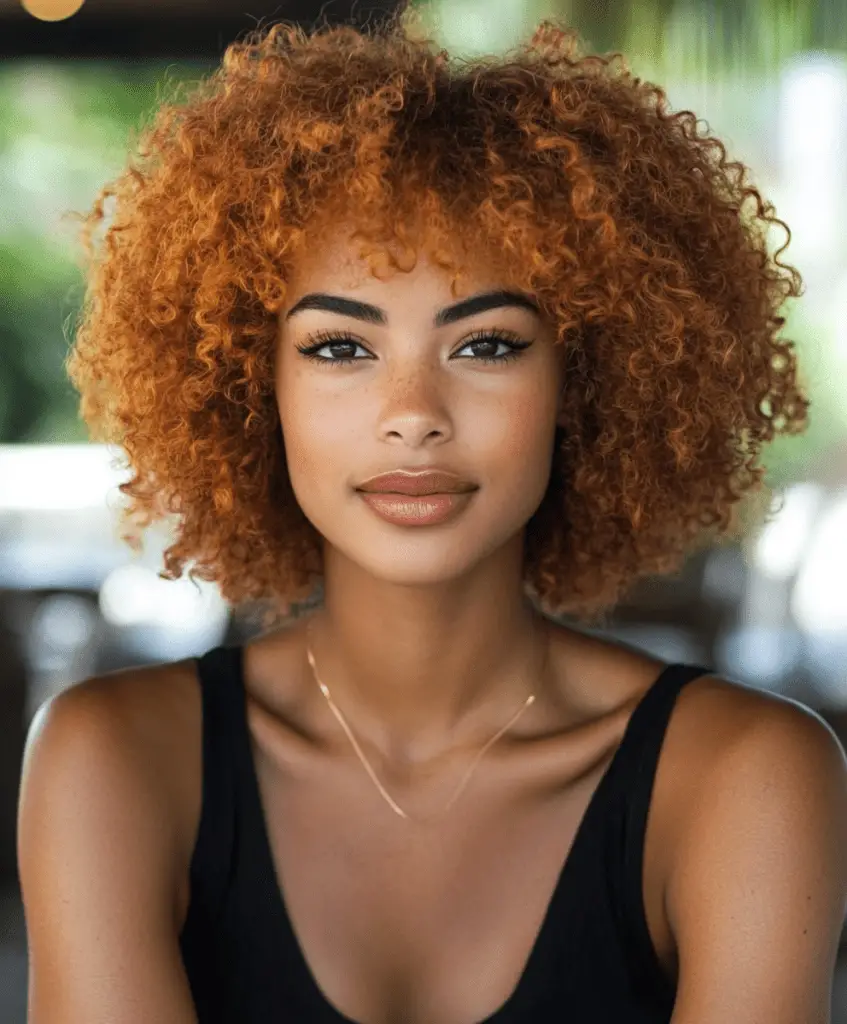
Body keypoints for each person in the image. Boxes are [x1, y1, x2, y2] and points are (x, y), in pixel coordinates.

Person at [17, 7, 847, 1024]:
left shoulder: (742, 774)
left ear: (583, 378)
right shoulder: (110, 760)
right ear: (247, 382)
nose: (413, 416)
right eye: (339, 347)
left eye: (487, 344)